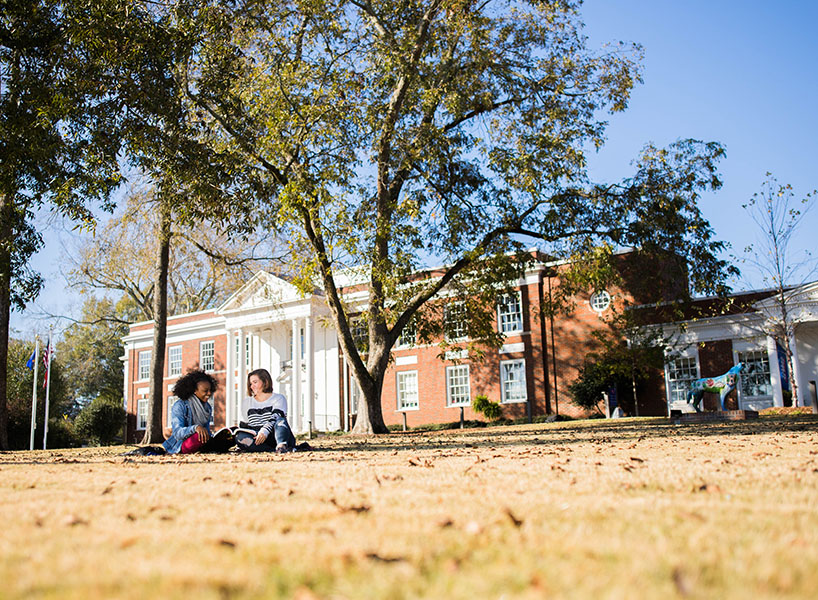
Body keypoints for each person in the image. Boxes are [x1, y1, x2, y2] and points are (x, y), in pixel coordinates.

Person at [163, 370, 230, 454]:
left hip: (200, 442)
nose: (209, 393)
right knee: (198, 436)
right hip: (181, 445)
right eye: (205, 391)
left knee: (228, 438)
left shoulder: (207, 407)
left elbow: (206, 431)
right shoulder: (180, 405)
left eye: (210, 390)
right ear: (194, 390)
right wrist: (195, 428)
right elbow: (177, 433)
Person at [235, 368, 297, 453]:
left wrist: (264, 431)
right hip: (258, 439)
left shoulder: (279, 398)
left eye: (255, 382)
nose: (252, 386)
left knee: (280, 420)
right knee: (240, 436)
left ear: (265, 382)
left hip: (274, 435)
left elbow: (276, 417)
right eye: (250, 384)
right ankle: (271, 450)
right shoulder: (247, 402)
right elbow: (244, 425)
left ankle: (281, 446)